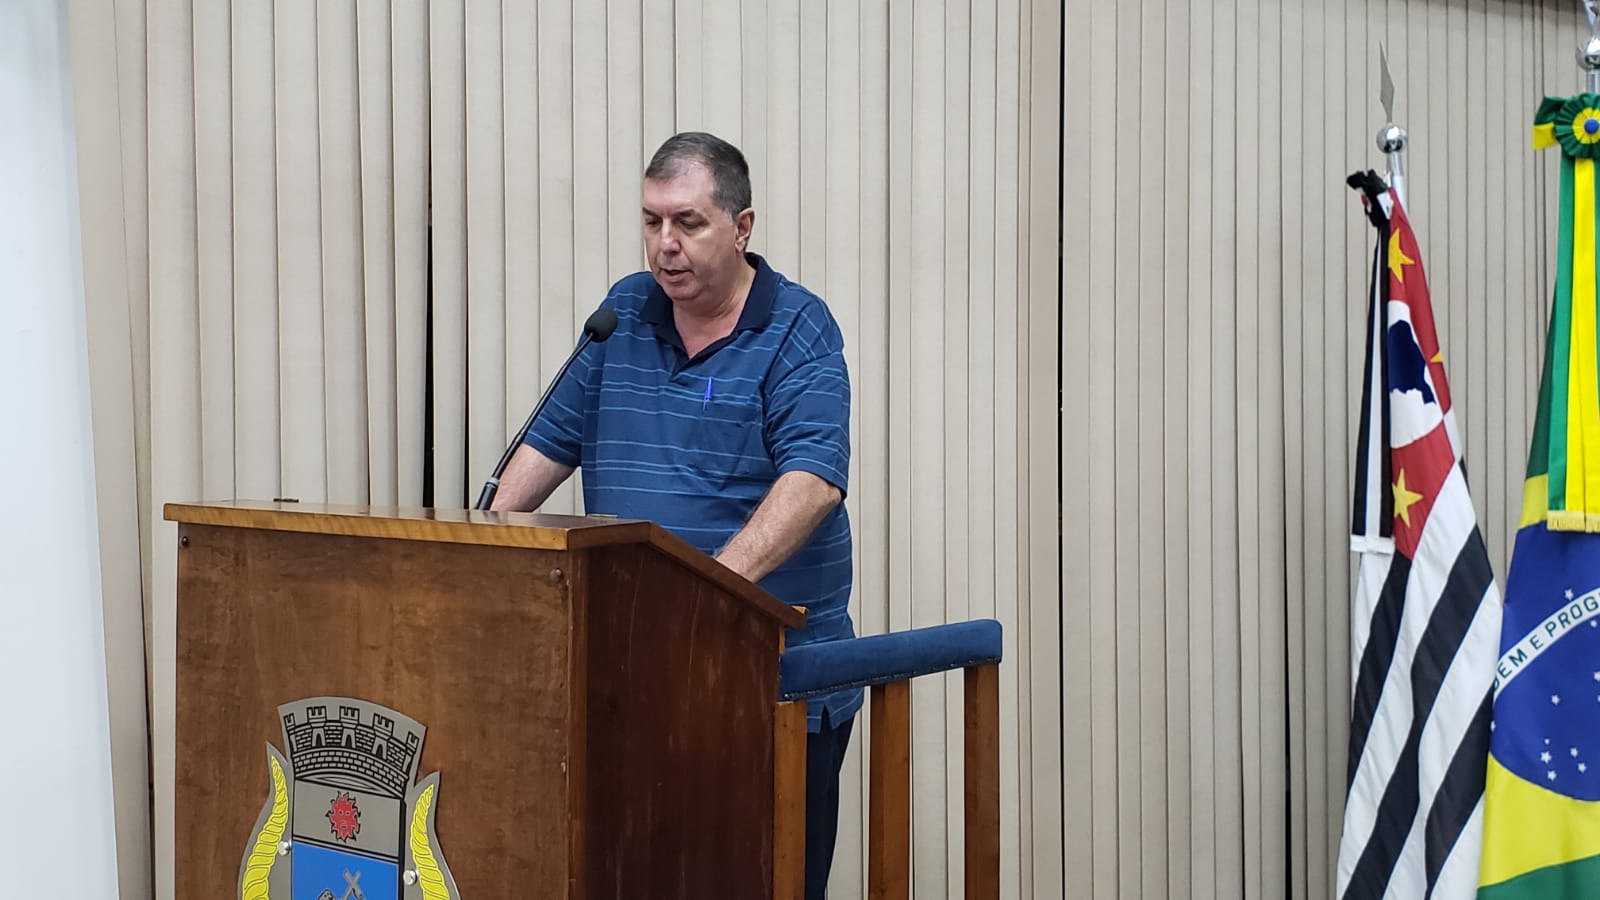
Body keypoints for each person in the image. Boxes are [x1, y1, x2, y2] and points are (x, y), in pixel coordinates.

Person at [489, 131, 860, 899]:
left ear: (742, 226)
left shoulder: (797, 327)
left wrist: (702, 595)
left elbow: (814, 482)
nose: (666, 244)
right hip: (635, 669)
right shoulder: (624, 312)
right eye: (652, 221)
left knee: (760, 881)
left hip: (769, 677)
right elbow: (548, 445)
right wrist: (479, 542)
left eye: (688, 222)